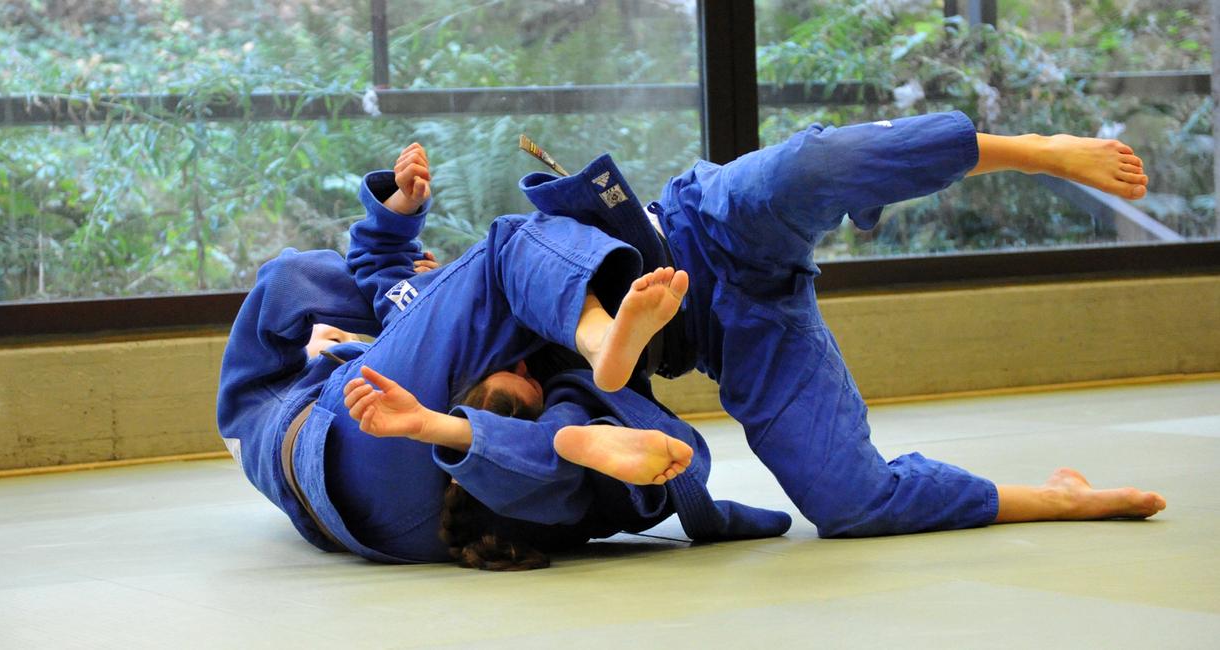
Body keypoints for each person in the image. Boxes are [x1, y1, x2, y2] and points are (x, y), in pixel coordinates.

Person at [347, 111, 1165, 549]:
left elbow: (383, 276)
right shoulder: (548, 406)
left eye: (500, 387)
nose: (519, 379)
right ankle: (1055, 498)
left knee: (815, 168)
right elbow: (552, 449)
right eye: (516, 396)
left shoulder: (428, 314)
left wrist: (399, 210)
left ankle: (1037, 150)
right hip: (732, 328)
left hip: (703, 227)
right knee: (848, 506)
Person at [217, 142, 694, 563]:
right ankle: (593, 342)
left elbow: (358, 275)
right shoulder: (273, 408)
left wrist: (402, 214)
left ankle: (551, 433)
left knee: (623, 424)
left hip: (453, 525)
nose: (334, 338)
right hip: (378, 449)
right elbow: (291, 279)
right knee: (509, 245)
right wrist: (422, 293)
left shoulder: (283, 404)